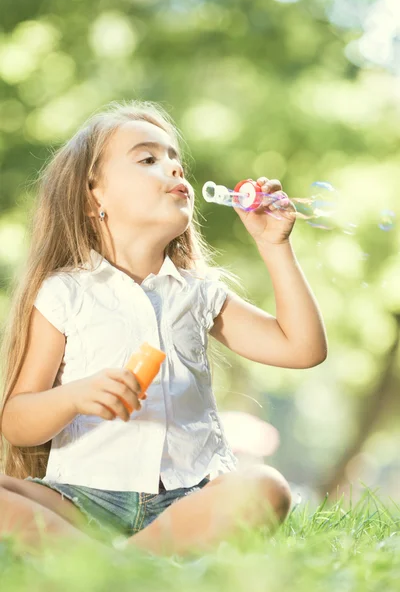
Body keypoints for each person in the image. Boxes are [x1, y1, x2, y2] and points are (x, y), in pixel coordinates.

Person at [0, 100, 327, 557]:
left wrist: (273, 246)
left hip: (187, 499)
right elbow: (16, 421)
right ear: (95, 194)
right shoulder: (66, 293)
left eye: (176, 159)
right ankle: (135, 565)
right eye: (149, 159)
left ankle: (103, 565)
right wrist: (74, 395)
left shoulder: (197, 293)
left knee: (265, 486)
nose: (175, 169)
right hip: (81, 498)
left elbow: (303, 348)